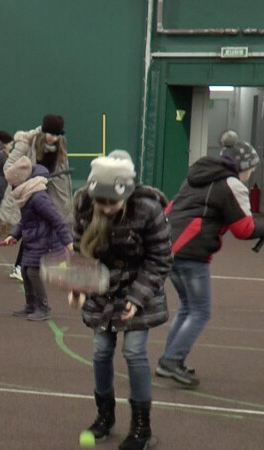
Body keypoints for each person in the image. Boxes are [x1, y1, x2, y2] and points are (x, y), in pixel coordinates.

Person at [70, 150, 172, 450]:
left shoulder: (148, 209)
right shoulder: (85, 205)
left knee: (134, 352)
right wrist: (78, 285)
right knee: (101, 351)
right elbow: (79, 250)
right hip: (102, 292)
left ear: (127, 193)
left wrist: (137, 298)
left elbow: (160, 258)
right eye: (100, 203)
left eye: (112, 202)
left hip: (140, 287)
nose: (105, 209)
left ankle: (141, 427)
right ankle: (105, 416)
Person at [157, 141, 262, 388]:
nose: (251, 173)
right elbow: (244, 229)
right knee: (200, 310)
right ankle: (172, 360)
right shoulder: (232, 184)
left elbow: (171, 208)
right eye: (251, 168)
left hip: (169, 246)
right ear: (242, 166)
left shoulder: (197, 176)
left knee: (188, 307)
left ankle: (169, 360)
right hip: (192, 252)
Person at [0, 114, 73, 281]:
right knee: (31, 229)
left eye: (57, 135)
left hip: (49, 192)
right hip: (29, 193)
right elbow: (9, 167)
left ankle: (44, 266)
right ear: (43, 131)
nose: (53, 138)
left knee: (50, 228)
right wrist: (30, 177)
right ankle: (19, 267)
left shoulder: (60, 145)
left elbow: (63, 175)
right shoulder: (27, 142)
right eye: (50, 134)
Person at [2, 156, 73, 321]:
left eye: (11, 182)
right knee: (26, 271)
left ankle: (43, 307)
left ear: (19, 181)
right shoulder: (26, 195)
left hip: (45, 241)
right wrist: (14, 234)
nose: (10, 186)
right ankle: (31, 305)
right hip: (32, 240)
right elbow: (25, 221)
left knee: (33, 272)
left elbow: (57, 219)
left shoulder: (38, 197)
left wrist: (67, 241)